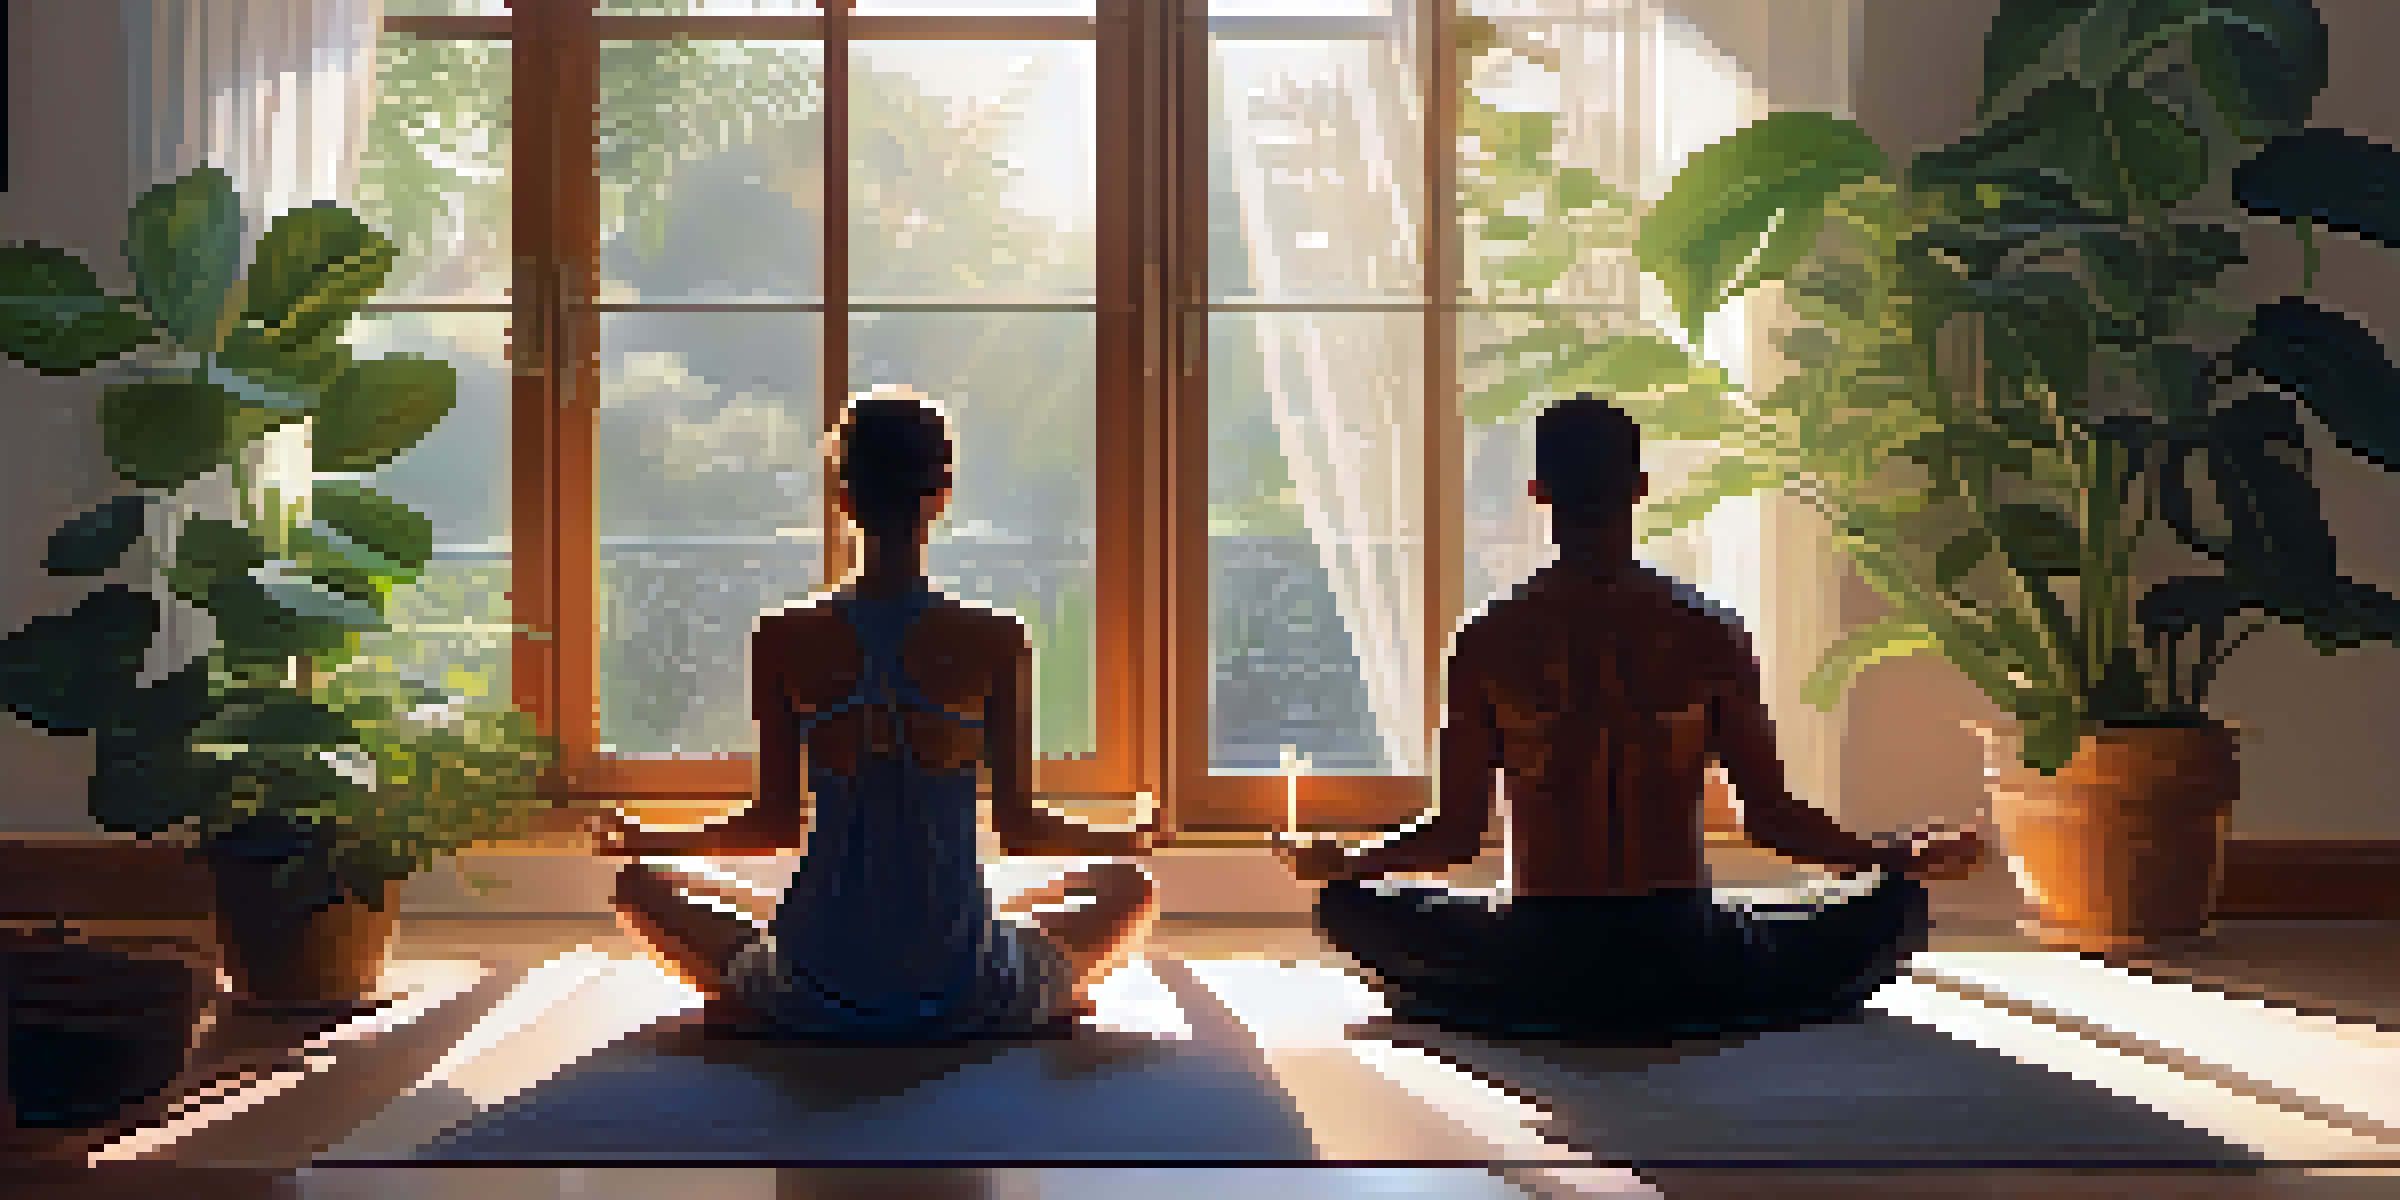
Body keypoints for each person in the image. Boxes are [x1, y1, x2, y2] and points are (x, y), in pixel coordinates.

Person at [1275, 393, 1989, 1042]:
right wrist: (1901, 858)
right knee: (1891, 906)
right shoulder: (1708, 630)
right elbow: (1770, 819)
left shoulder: (1491, 636)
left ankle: (1529, 1007)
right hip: (1683, 954)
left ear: (1538, 493)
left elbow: (1456, 836)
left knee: (1346, 908)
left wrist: (1346, 860)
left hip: (1536, 959)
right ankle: (1696, 1001)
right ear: (1641, 489)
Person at [593, 387, 1158, 1041]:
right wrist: (1127, 835)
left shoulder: (782, 637)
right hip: (963, 987)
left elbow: (770, 825)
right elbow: (1022, 830)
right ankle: (1027, 995)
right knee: (1128, 886)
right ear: (941, 495)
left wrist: (652, 840)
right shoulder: (996, 638)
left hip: (813, 986)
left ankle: (764, 1005)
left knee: (639, 888)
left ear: (842, 496)